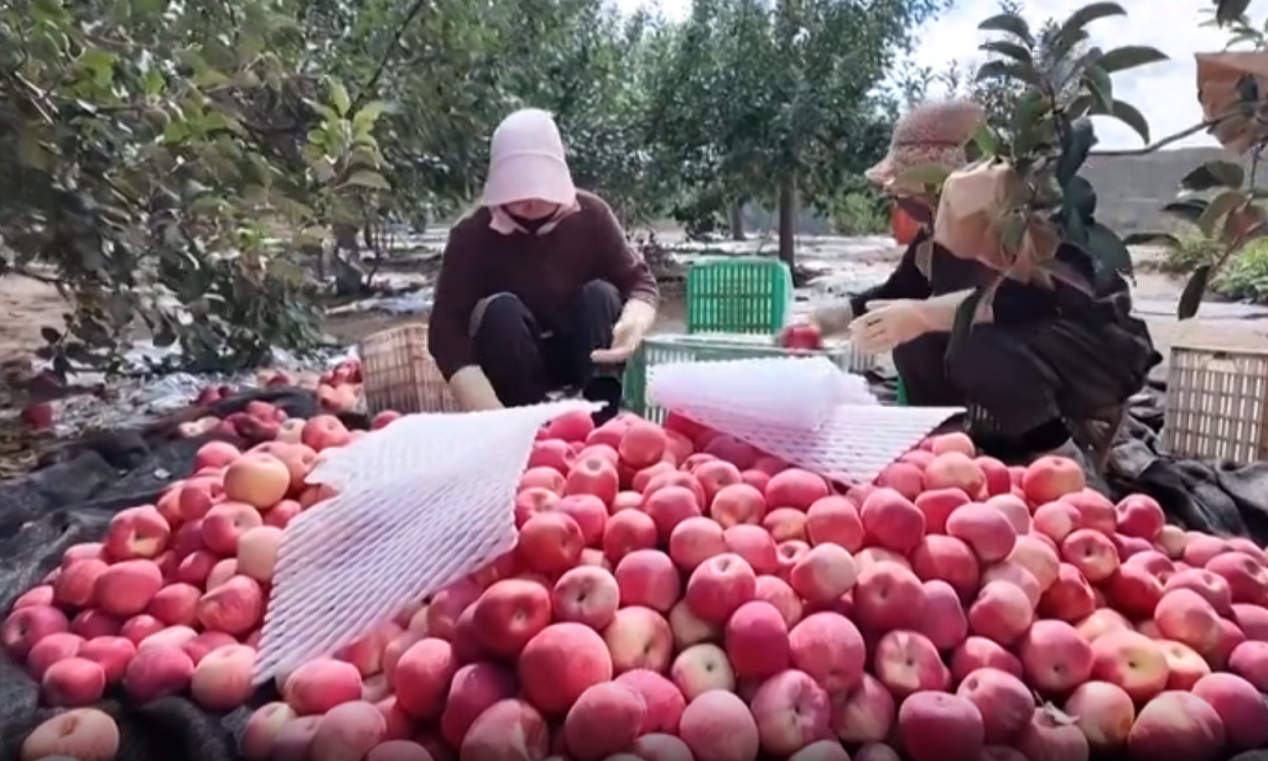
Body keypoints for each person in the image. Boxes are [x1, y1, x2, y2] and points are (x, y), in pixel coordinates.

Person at [808, 100, 1161, 462]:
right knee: (915, 340)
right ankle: (945, 448)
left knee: (972, 345)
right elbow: (902, 290)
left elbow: (1025, 301)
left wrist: (923, 315)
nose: (901, 198)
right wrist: (832, 319)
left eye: (911, 187)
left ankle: (1061, 459)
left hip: (1096, 354)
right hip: (1024, 348)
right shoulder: (938, 233)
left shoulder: (1034, 223)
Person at [428, 108, 659, 422]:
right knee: (499, 312)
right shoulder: (472, 235)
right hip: (512, 362)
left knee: (601, 295)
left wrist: (632, 323)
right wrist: (488, 411)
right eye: (518, 189)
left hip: (583, 350)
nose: (530, 200)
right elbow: (446, 331)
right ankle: (527, 421)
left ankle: (601, 417)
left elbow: (639, 282)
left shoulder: (592, 216)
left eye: (539, 186)